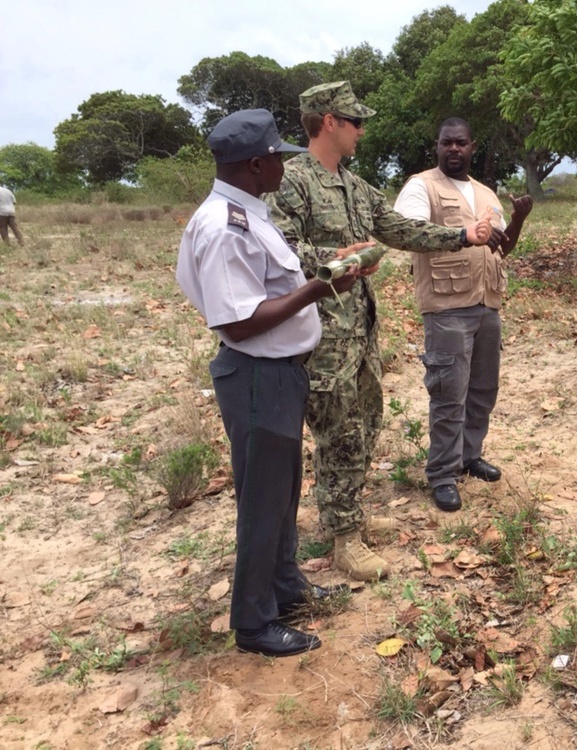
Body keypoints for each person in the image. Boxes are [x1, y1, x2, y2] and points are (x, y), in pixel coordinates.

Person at [266, 82, 491, 579]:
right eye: (356, 122)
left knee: (365, 421)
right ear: (330, 122)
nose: (362, 131)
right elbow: (277, 250)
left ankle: (350, 516)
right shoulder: (292, 181)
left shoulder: (353, 183)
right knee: (339, 429)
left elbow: (398, 228)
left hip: (359, 329)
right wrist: (333, 259)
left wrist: (460, 235)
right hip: (321, 332)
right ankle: (344, 537)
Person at [176, 109, 361, 657]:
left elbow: (264, 287)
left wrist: (321, 277)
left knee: (281, 495)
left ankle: (285, 586)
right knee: (262, 500)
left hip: (278, 373)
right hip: (257, 376)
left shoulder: (247, 212)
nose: (285, 164)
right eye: (278, 157)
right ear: (256, 164)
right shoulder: (224, 226)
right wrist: (320, 289)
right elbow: (237, 320)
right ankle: (254, 622)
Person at [393, 118, 533, 512]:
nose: (454, 149)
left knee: (482, 391)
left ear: (474, 147)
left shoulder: (485, 192)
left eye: (461, 143)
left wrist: (518, 218)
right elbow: (408, 232)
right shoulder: (422, 186)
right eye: (446, 143)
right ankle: (441, 473)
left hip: (488, 304)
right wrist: (462, 233)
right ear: (436, 147)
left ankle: (468, 456)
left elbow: (502, 249)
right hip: (446, 306)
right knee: (448, 393)